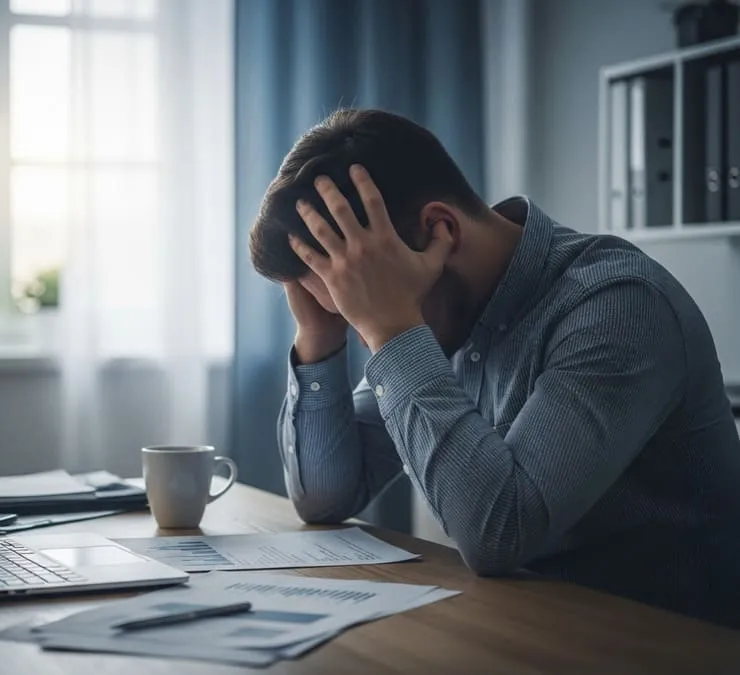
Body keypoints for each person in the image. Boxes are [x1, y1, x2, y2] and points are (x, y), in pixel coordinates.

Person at [247, 108, 740, 628]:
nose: (361, 321)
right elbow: (326, 498)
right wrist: (319, 337)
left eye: (356, 308)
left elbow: (499, 533)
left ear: (440, 230)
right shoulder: (437, 309)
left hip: (667, 644)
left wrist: (390, 327)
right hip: (528, 629)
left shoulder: (619, 307)